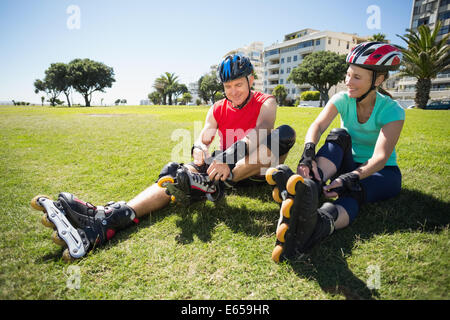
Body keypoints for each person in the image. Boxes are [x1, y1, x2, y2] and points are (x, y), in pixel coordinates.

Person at [32, 53, 296, 261]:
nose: (234, 91)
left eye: (239, 84)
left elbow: (259, 132)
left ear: (251, 80)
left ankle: (212, 184)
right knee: (175, 174)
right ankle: (108, 220)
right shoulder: (217, 108)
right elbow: (204, 137)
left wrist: (227, 159)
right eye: (228, 86)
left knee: (280, 135)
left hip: (253, 169)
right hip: (220, 166)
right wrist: (198, 149)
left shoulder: (266, 101)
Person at [267, 41, 405, 263]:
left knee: (353, 191)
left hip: (380, 173)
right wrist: (308, 153)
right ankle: (309, 187)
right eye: (348, 75)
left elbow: (380, 157)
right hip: (346, 162)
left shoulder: (392, 110)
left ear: (378, 80)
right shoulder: (342, 99)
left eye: (357, 77)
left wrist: (350, 178)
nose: (348, 82)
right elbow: (318, 126)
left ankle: (318, 223)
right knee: (339, 134)